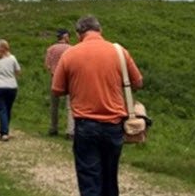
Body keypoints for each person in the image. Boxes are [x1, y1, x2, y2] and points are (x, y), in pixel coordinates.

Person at [52, 16, 143, 196]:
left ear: (79, 34)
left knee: (89, 179)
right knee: (110, 179)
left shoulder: (70, 54)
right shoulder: (119, 51)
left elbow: (57, 89)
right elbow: (138, 82)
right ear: (100, 31)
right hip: (114, 125)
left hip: (85, 125)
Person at [0, 39, 21, 141]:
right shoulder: (12, 58)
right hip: (11, 86)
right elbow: (18, 70)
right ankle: (5, 129)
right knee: (8, 109)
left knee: (1, 109)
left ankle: (4, 132)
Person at [45, 28, 74, 138]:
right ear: (65, 37)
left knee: (54, 105)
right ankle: (70, 131)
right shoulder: (71, 49)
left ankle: (53, 128)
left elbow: (47, 65)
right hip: (69, 78)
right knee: (70, 105)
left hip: (55, 77)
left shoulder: (51, 49)